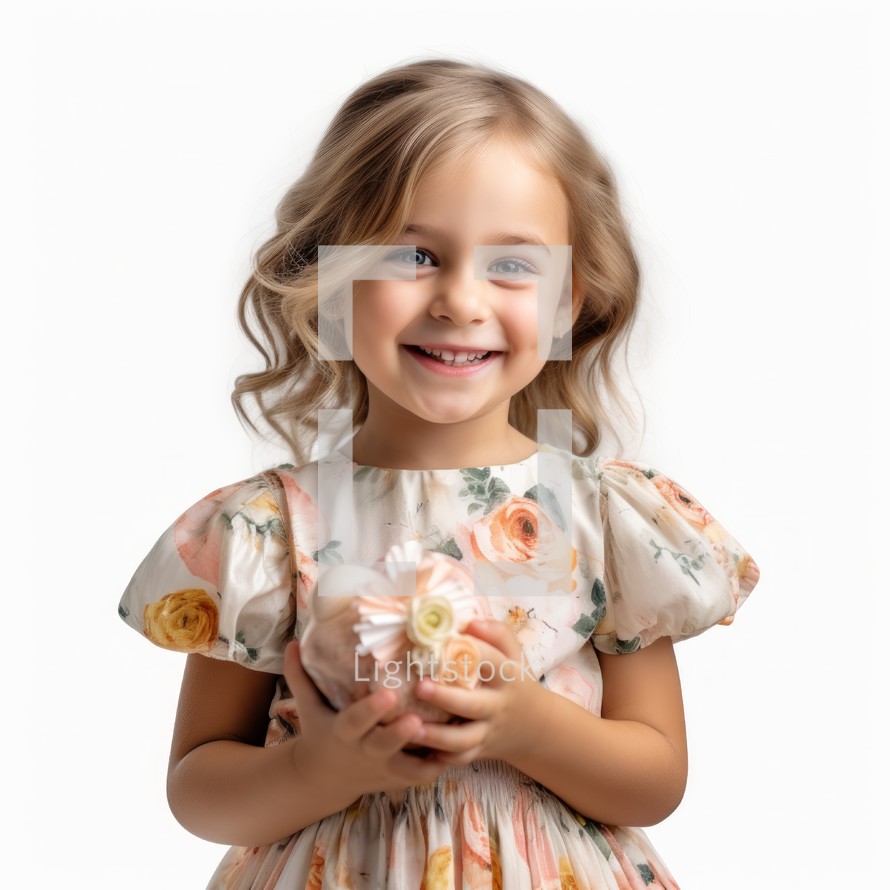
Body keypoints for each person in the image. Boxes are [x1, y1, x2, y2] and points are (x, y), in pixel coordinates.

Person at [119, 58, 760, 889]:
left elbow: (655, 781)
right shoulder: (269, 531)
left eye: (514, 265)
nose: (461, 300)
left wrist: (524, 724)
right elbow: (199, 791)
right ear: (331, 279)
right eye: (414, 255)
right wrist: (327, 767)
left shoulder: (604, 520)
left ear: (570, 304)